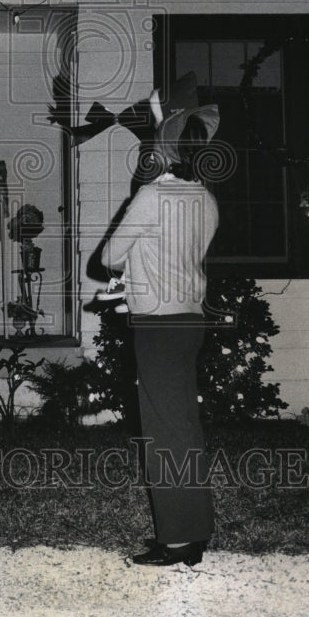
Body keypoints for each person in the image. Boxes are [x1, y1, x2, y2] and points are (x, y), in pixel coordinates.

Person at [103, 105, 220, 568]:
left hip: (157, 324)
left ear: (164, 150)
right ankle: (193, 532)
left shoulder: (153, 197)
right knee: (183, 428)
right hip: (190, 320)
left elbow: (110, 256)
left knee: (165, 434)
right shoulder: (207, 200)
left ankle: (178, 542)